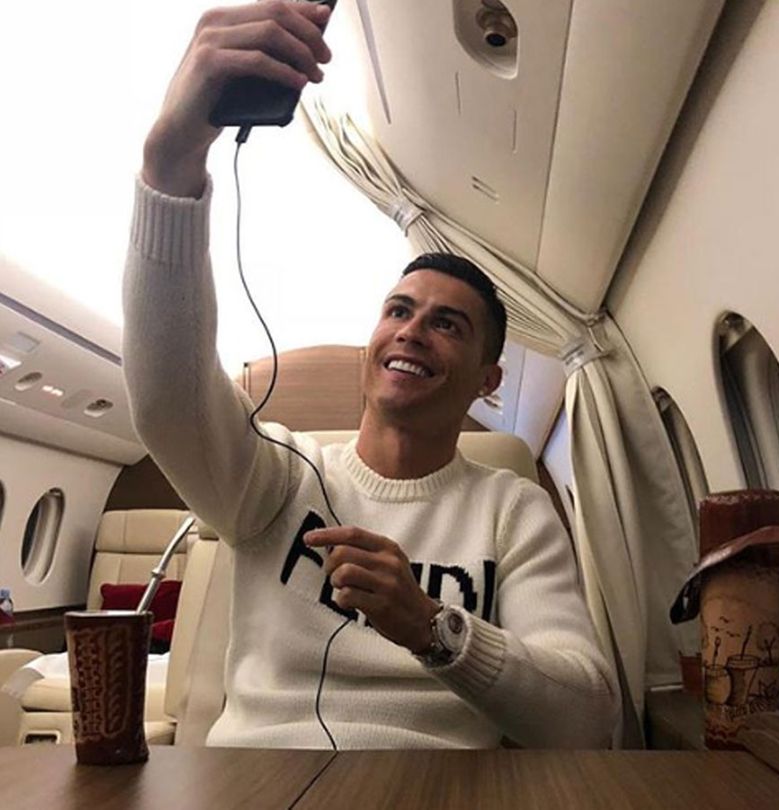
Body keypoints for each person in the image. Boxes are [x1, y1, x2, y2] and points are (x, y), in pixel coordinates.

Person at [124, 0, 617, 749]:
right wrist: (171, 160)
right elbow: (167, 399)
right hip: (256, 783)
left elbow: (586, 720)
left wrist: (430, 626)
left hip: (435, 791)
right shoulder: (278, 477)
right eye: (399, 310)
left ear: (488, 382)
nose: (412, 329)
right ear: (373, 347)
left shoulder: (513, 511)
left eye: (447, 324)